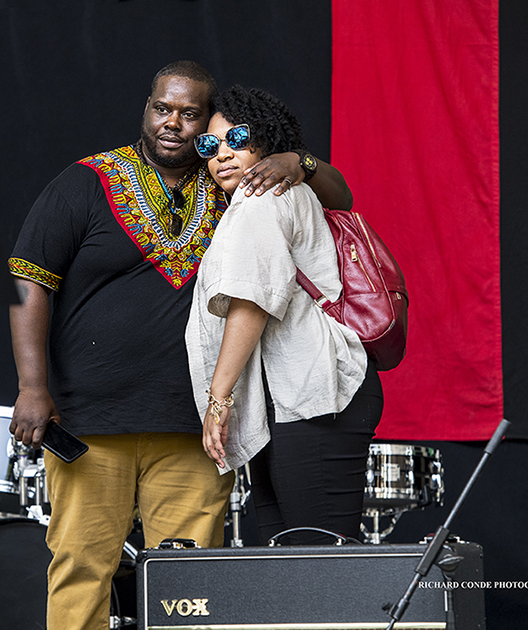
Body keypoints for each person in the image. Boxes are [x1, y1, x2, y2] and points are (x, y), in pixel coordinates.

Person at [8, 61, 353, 629]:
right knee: (81, 566)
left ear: (210, 123)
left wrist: (298, 161)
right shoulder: (85, 181)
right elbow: (29, 278)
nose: (172, 122)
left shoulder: (237, 183)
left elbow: (337, 198)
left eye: (189, 114)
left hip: (195, 422)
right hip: (92, 420)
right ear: (146, 107)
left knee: (189, 587)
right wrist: (31, 385)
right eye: (161, 108)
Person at [185, 85, 384, 546]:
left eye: (238, 138)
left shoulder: (263, 199)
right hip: (293, 401)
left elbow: (252, 301)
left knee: (317, 562)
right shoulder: (261, 198)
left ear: (267, 140)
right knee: (292, 565)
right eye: (210, 146)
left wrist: (219, 400)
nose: (222, 155)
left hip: (314, 398)